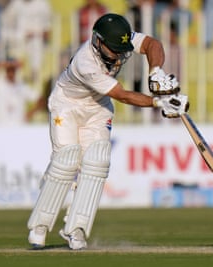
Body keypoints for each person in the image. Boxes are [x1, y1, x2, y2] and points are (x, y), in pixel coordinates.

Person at [26, 13, 189, 250]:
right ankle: (40, 226)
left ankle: (77, 228)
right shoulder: (87, 63)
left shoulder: (119, 40)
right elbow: (122, 95)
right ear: (97, 41)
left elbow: (152, 44)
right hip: (67, 105)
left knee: (97, 162)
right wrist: (159, 103)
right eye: (114, 49)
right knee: (67, 161)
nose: (120, 54)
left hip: (98, 107)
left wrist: (156, 72)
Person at [0, 58, 39, 125]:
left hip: (18, 128)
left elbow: (41, 100)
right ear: (6, 70)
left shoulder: (22, 86)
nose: (11, 72)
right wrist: (10, 63)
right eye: (9, 70)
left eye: (13, 70)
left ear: (16, 71)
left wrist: (29, 114)